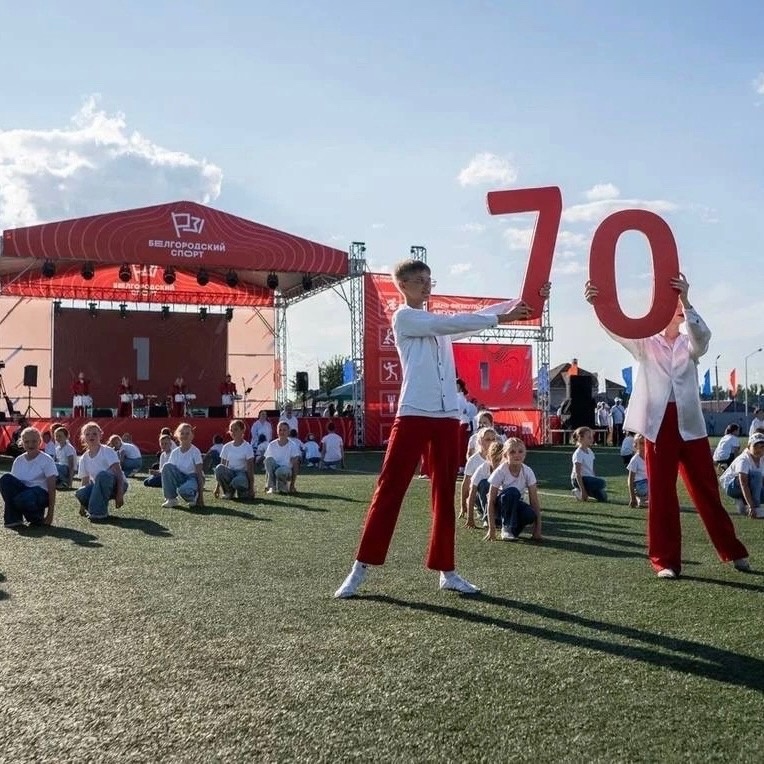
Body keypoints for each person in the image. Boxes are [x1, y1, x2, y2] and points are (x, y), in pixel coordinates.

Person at [334, 258, 544, 598]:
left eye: (429, 279)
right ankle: (360, 568)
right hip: (414, 412)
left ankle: (447, 570)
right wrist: (502, 316)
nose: (427, 285)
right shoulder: (405, 317)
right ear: (402, 285)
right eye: (419, 280)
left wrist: (522, 303)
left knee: (445, 493)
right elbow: (450, 324)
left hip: (447, 416)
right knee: (389, 488)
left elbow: (465, 324)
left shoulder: (436, 324)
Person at [585, 273, 750, 577]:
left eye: (679, 304)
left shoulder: (690, 344)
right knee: (661, 494)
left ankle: (733, 550)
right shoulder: (645, 343)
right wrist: (598, 303)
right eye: (671, 302)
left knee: (706, 490)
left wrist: (687, 298)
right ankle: (666, 561)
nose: (676, 308)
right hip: (658, 424)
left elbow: (704, 338)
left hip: (691, 425)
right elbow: (617, 330)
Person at [484, 437, 542, 542]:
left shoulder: (528, 471)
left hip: (515, 507)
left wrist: (537, 530)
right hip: (500, 508)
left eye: (520, 451)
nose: (517, 455)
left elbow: (534, 501)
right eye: (512, 452)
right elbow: (491, 501)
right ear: (506, 455)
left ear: (525, 454)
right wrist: (491, 529)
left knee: (530, 513)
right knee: (512, 492)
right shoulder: (500, 471)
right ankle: (505, 527)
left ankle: (512, 531)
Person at [1, 427, 57, 528]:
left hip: (40, 494)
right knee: (6, 479)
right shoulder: (18, 460)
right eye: (26, 441)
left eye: (34, 441)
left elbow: (52, 488)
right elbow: (12, 487)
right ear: (22, 443)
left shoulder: (47, 460)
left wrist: (50, 515)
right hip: (24, 494)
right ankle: (14, 519)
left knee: (24, 498)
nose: (30, 445)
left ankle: (37, 518)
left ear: (40, 442)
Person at [76, 421, 127, 522]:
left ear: (100, 435)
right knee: (81, 492)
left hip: (117, 485)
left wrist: (120, 493)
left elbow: (119, 473)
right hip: (98, 487)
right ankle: (95, 509)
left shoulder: (107, 451)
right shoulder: (83, 458)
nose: (91, 436)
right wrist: (82, 506)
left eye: (95, 433)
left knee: (102, 475)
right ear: (83, 438)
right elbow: (85, 482)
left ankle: (99, 513)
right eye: (87, 434)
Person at [719, 432, 764, 518]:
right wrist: (752, 506)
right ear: (748, 447)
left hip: (748, 485)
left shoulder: (762, 459)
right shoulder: (743, 459)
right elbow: (743, 482)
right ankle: (755, 507)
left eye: (762, 447)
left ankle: (742, 502)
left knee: (758, 479)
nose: (759, 450)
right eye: (755, 446)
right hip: (731, 486)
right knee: (757, 475)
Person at [161, 423, 205, 508]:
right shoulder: (175, 452)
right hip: (180, 477)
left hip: (193, 478)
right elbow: (170, 471)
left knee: (184, 490)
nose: (185, 436)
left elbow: (199, 474)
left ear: (192, 436)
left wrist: (201, 497)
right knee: (167, 466)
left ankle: (193, 497)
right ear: (177, 435)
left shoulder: (195, 451)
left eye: (187, 433)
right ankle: (171, 499)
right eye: (182, 433)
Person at [459, 426, 497, 520]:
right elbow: (466, 483)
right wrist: (463, 505)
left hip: (496, 492)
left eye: (493, 439)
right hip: (478, 494)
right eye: (487, 439)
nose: (491, 442)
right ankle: (486, 516)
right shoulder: (473, 460)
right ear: (480, 441)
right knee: (484, 483)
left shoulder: (500, 457)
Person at [465, 440, 503, 529]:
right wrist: (470, 518)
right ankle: (487, 518)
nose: (498, 464)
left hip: (500, 500)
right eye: (496, 460)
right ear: (488, 458)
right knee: (484, 483)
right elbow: (472, 492)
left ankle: (505, 520)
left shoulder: (507, 468)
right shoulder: (482, 469)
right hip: (483, 499)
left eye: (501, 460)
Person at [214, 419, 255, 500]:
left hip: (242, 474)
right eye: (231, 430)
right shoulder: (226, 447)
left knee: (239, 482)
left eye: (236, 429)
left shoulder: (247, 447)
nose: (233, 432)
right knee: (219, 468)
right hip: (230, 473)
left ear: (242, 430)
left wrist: (251, 488)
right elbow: (222, 467)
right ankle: (228, 492)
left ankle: (243, 491)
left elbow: (250, 469)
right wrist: (217, 487)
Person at [570, 426, 608, 502]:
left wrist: (594, 478)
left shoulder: (590, 451)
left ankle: (580, 492)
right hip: (579, 479)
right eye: (589, 437)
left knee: (603, 497)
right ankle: (580, 490)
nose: (592, 439)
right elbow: (577, 474)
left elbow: (592, 469)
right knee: (602, 482)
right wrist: (583, 490)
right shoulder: (578, 454)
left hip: (589, 479)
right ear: (581, 438)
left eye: (591, 437)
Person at [264, 421, 301, 494]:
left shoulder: (292, 445)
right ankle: (272, 486)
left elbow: (296, 465)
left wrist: (292, 484)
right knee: (268, 460)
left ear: (288, 432)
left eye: (284, 430)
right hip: (274, 470)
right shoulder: (272, 444)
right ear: (277, 431)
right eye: (280, 430)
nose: (282, 432)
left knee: (280, 472)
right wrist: (266, 484)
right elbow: (268, 466)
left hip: (286, 471)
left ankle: (285, 485)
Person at [627, 434, 649, 508]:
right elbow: (630, 479)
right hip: (639, 484)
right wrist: (632, 497)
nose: (645, 445)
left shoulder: (649, 457)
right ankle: (638, 498)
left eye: (646, 443)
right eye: (642, 443)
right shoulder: (635, 460)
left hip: (647, 482)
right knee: (650, 488)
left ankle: (642, 500)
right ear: (635, 446)